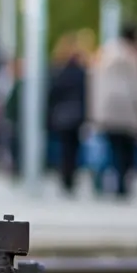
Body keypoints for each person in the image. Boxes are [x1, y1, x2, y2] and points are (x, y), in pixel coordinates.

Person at [87, 23, 137, 199]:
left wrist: (94, 112)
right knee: (125, 151)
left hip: (106, 110)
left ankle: (101, 181)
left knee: (109, 148)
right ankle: (122, 186)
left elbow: (94, 84)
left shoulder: (105, 53)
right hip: (126, 111)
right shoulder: (134, 57)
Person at [46, 34, 89, 197]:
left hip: (61, 116)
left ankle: (64, 177)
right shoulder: (81, 72)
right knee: (75, 149)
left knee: (64, 149)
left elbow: (52, 95)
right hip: (77, 116)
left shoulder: (58, 71)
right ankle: (71, 178)